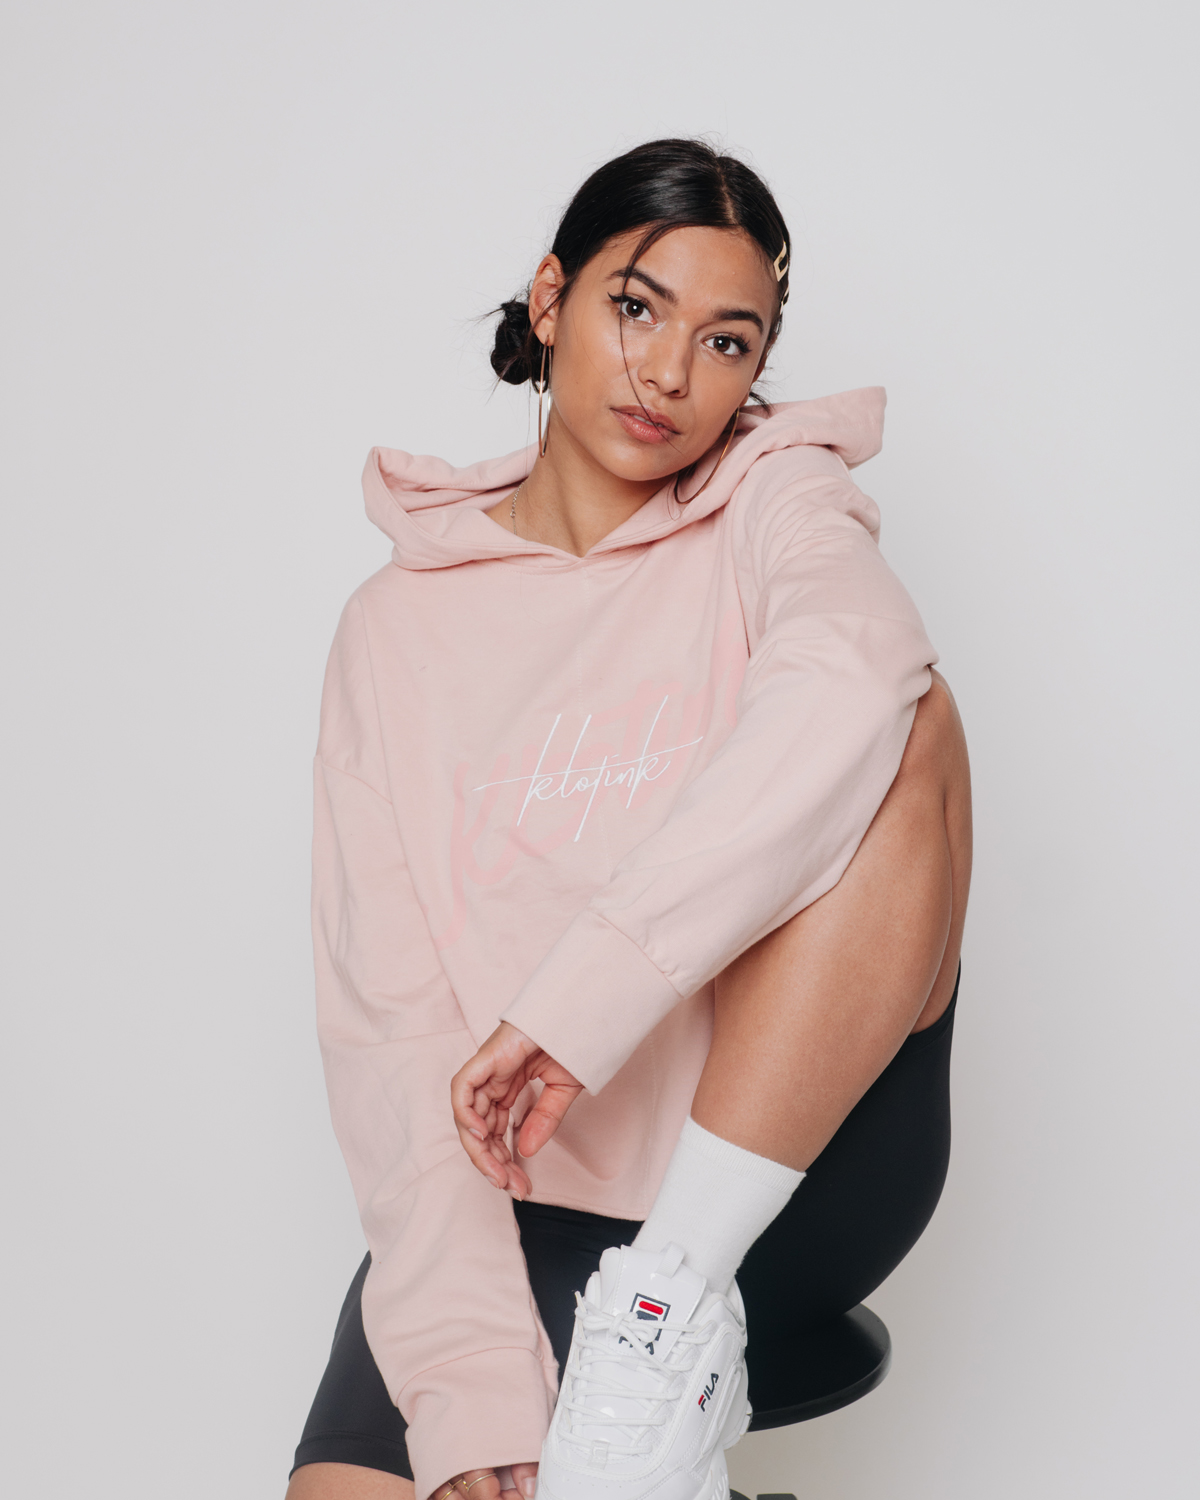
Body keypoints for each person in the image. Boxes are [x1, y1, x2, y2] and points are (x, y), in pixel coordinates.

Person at [286, 138, 972, 1500]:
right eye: (636, 308)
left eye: (726, 342)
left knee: (905, 715)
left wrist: (581, 1003)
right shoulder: (394, 629)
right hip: (528, 1184)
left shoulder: (777, 501)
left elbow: (855, 671)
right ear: (551, 300)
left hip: (774, 1169)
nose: (668, 373)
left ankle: (660, 1322)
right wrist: (471, 1383)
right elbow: (391, 1026)